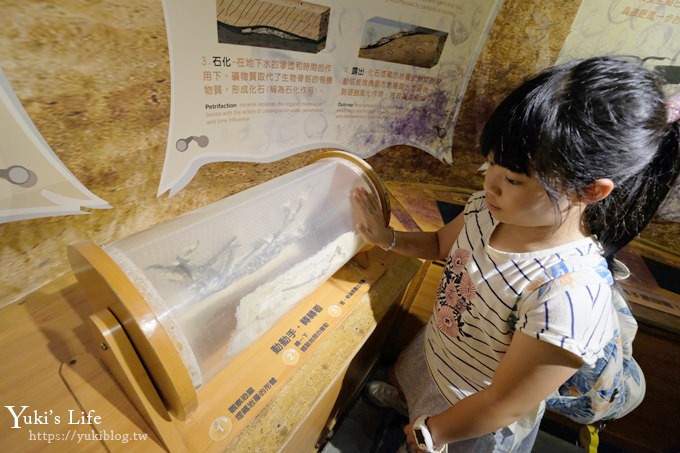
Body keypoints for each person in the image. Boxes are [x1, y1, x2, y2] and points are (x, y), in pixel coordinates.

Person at [351, 56, 680, 452]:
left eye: (512, 178)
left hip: (474, 417)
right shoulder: (487, 209)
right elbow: (441, 245)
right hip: (441, 352)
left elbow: (503, 404)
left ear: (589, 191)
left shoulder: (567, 296)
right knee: (413, 395)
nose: (490, 185)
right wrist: (386, 237)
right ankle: (408, 405)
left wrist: (434, 433)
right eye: (491, 163)